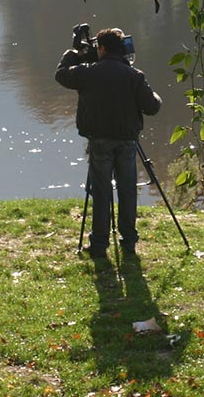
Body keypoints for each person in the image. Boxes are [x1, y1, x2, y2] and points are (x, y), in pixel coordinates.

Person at [56, 27, 162, 258]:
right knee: (127, 190)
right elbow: (152, 106)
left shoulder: (87, 72)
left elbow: (61, 74)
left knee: (102, 192)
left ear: (101, 48)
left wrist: (74, 52)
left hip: (99, 140)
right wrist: (152, 94)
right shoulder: (134, 75)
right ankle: (129, 242)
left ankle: (99, 245)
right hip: (126, 141)